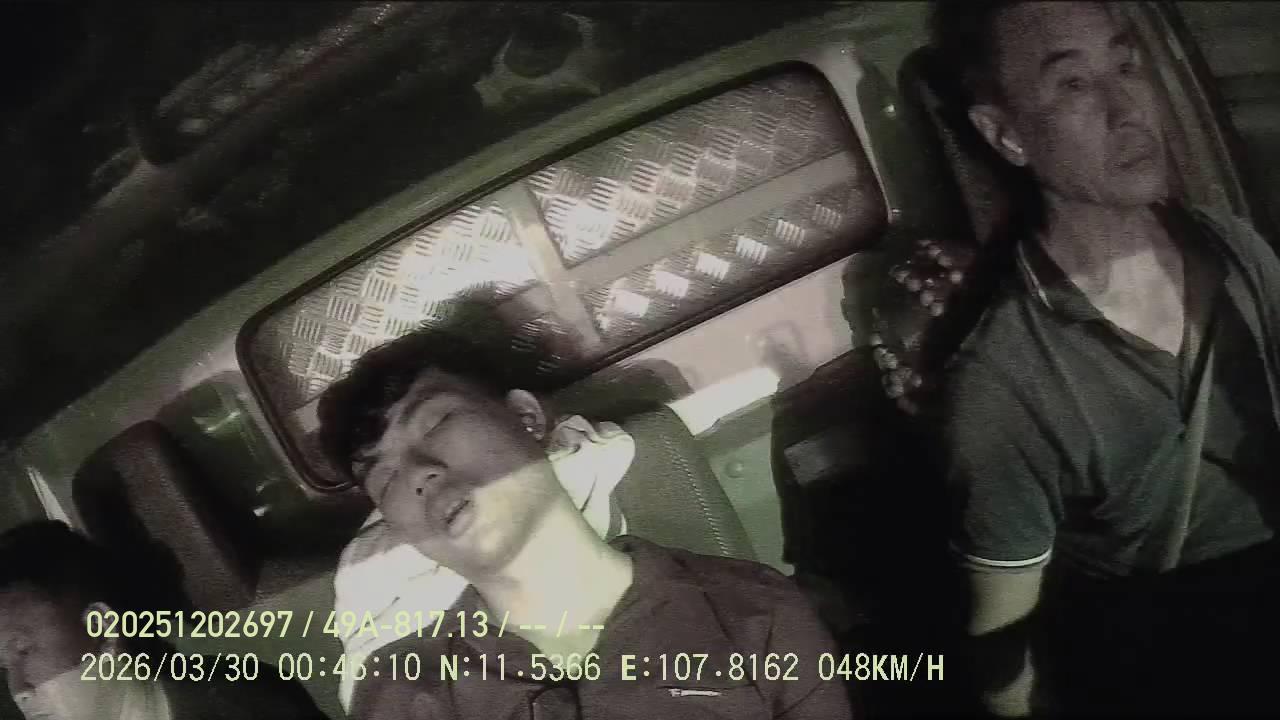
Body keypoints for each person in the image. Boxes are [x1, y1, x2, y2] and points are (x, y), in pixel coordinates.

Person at [931, 1, 1280, 716]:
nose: (1127, 108)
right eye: (1074, 84)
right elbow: (1003, 650)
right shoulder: (1005, 382)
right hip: (1188, 662)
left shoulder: (1231, 247)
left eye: (1125, 65)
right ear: (1005, 133)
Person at [316, 328, 855, 720]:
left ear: (527, 417)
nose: (417, 473)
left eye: (436, 421)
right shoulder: (400, 692)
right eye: (383, 477)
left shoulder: (755, 614)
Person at [0, 521, 326, 720]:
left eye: (23, 651)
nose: (18, 690)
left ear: (103, 629)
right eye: (2, 666)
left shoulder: (247, 703)